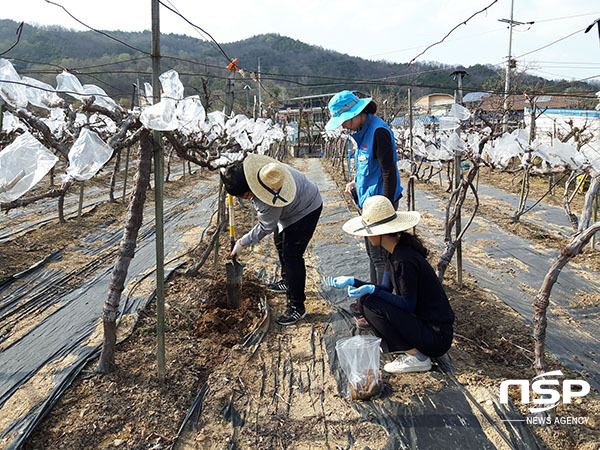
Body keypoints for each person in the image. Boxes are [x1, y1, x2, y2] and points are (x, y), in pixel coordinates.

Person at [326, 196, 454, 373]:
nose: (365, 236)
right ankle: (409, 348)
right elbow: (386, 289)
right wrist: (355, 281)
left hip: (436, 336)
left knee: (370, 303)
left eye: (368, 232)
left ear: (379, 232)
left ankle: (417, 357)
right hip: (425, 325)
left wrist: (371, 290)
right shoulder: (395, 252)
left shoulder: (404, 261)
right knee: (365, 300)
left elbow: (408, 305)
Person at [221, 153, 322, 326]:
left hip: (306, 209)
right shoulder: (257, 173)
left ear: (250, 189)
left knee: (292, 256)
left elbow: (265, 227)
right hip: (292, 206)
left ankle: (297, 306)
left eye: (243, 196)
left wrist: (242, 242)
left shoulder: (268, 193)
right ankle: (286, 280)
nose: (243, 200)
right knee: (280, 243)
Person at [325, 90, 403, 287]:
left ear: (356, 114)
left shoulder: (379, 132)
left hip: (380, 205)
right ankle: (370, 296)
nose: (343, 126)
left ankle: (381, 305)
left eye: (344, 121)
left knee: (380, 257)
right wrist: (354, 183)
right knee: (372, 254)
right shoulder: (363, 133)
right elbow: (367, 167)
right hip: (369, 202)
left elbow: (388, 172)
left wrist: (385, 209)